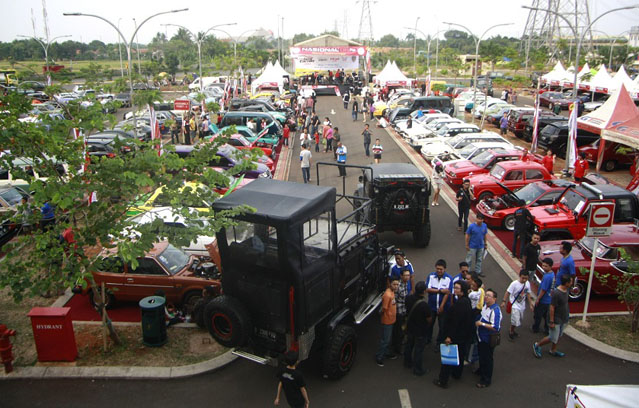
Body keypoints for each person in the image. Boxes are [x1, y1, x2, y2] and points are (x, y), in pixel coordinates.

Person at [434, 280, 474, 389]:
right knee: (460, 355)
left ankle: (443, 381)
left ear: (462, 291)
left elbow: (454, 323)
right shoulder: (466, 302)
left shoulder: (459, 305)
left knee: (448, 359)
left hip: (455, 336)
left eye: (457, 288)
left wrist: (449, 337)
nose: (455, 290)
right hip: (463, 336)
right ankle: (457, 374)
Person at [533, 274, 571, 359]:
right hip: (556, 319)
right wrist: (551, 321)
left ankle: (553, 350)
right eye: (570, 282)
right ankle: (537, 345)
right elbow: (552, 307)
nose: (572, 283)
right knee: (552, 337)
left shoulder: (566, 290)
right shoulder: (557, 293)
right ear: (567, 283)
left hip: (563, 318)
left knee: (558, 336)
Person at [403, 281, 433, 376]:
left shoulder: (408, 298)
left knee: (409, 345)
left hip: (410, 327)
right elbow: (429, 319)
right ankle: (418, 369)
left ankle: (407, 362)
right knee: (419, 350)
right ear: (424, 291)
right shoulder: (424, 305)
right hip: (421, 330)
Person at [475, 289, 501, 388]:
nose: (486, 297)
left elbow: (495, 327)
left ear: (494, 298)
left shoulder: (495, 311)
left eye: (489, 296)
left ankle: (486, 379)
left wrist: (482, 324)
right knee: (482, 356)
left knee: (487, 359)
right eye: (486, 295)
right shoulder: (485, 307)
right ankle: (481, 370)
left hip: (487, 339)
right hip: (481, 337)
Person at [426, 259, 453, 346]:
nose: (439, 271)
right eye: (437, 269)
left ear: (444, 269)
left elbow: (448, 293)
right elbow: (428, 289)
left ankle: (439, 342)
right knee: (429, 323)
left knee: (442, 326)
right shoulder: (431, 276)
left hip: (444, 308)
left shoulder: (449, 279)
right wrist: (440, 291)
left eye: (441, 269)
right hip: (432, 306)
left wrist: (441, 306)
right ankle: (428, 339)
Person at [501, 270, 533, 340]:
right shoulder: (514, 284)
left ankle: (512, 329)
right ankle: (511, 331)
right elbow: (508, 292)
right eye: (523, 278)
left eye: (526, 278)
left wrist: (530, 304)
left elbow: (528, 293)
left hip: (522, 305)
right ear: (519, 276)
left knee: (519, 319)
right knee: (515, 319)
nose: (524, 280)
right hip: (514, 304)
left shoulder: (527, 284)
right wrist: (504, 301)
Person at [376, 277, 399, 367]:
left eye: (397, 284)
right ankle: (379, 357)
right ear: (390, 284)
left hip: (391, 319)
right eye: (394, 284)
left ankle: (386, 352)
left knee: (387, 339)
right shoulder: (387, 295)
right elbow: (384, 308)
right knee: (385, 340)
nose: (396, 286)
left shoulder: (392, 292)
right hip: (387, 320)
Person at [532, 258, 555, 334]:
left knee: (537, 315)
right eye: (543, 265)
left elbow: (543, 290)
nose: (544, 267)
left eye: (546, 266)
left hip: (543, 300)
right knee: (545, 316)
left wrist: (538, 299)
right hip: (548, 299)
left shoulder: (547, 277)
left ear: (550, 266)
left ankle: (536, 328)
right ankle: (546, 329)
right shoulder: (552, 274)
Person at [391, 269, 411, 356]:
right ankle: (397, 348)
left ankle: (399, 343)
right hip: (399, 310)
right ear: (401, 276)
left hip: (404, 310)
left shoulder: (406, 284)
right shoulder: (398, 286)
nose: (407, 277)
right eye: (405, 275)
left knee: (402, 328)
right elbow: (394, 298)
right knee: (398, 330)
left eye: (408, 275)